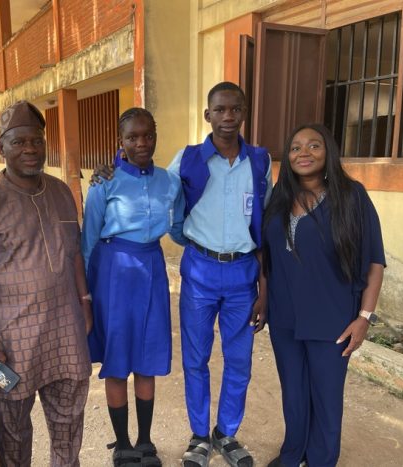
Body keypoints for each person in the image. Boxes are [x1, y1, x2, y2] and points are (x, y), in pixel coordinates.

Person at [92, 82, 272, 467]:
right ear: (207, 116)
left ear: (244, 113)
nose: (228, 117)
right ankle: (199, 437)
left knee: (239, 359)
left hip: (243, 271)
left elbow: (264, 223)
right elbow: (141, 174)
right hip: (200, 269)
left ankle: (227, 433)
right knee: (196, 358)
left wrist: (264, 283)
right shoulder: (186, 161)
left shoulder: (260, 161)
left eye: (235, 109)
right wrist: (108, 163)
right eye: (219, 110)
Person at [0, 100, 93, 467]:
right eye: (19, 142)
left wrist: (85, 302)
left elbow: (74, 254)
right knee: (12, 429)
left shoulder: (62, 192)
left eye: (36, 141)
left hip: (65, 335)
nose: (30, 149)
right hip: (12, 344)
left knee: (69, 421)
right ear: (1, 148)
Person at [261, 124, 385, 467]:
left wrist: (364, 319)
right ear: (287, 157)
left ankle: (321, 459)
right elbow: (268, 259)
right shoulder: (278, 198)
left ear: (328, 152)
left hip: (332, 319)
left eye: (314, 145)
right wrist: (264, 300)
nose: (304, 153)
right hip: (285, 319)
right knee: (294, 393)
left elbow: (375, 261)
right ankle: (293, 453)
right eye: (296, 147)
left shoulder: (351, 196)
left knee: (327, 397)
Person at [82, 108, 184, 466]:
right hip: (113, 271)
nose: (141, 143)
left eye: (148, 135)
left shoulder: (170, 182)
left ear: (155, 135)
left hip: (152, 269)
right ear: (120, 142)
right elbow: (89, 238)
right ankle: (122, 443)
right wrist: (86, 292)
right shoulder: (103, 183)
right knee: (117, 357)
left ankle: (144, 441)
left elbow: (181, 226)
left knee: (147, 356)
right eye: (132, 137)